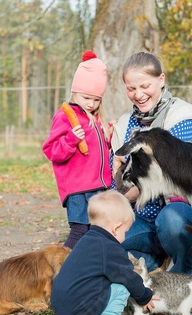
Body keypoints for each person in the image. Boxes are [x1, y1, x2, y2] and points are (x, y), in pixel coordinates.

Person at [111, 51, 192, 274]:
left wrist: (120, 198)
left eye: (145, 86)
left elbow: (167, 176)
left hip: (181, 211)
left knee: (171, 220)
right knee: (103, 241)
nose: (138, 94)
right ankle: (154, 264)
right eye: (131, 88)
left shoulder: (182, 117)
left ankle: (183, 275)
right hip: (142, 217)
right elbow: (114, 174)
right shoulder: (125, 124)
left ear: (161, 80)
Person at [50, 190, 157, 315]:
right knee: (122, 286)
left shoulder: (85, 240)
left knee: (91, 280)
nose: (125, 237)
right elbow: (129, 277)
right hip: (79, 312)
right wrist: (145, 296)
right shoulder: (110, 248)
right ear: (116, 228)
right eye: (125, 232)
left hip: (61, 307)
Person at [43, 50, 112, 249]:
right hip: (78, 189)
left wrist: (109, 135)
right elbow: (52, 151)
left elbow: (97, 150)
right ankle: (62, 268)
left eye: (96, 100)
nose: (91, 104)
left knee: (95, 232)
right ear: (75, 92)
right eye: (86, 98)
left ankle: (85, 271)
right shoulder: (65, 116)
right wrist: (71, 139)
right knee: (80, 231)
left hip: (97, 188)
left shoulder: (96, 118)